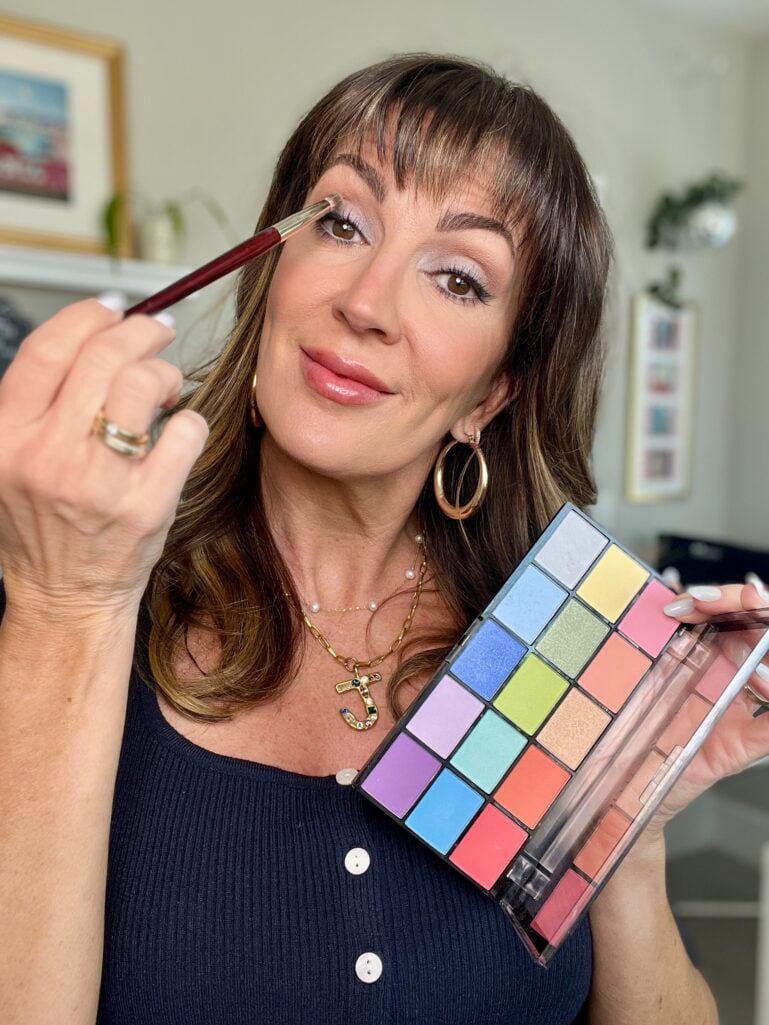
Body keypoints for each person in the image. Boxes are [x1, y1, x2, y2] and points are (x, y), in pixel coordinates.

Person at [1, 52, 766, 1025]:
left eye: (455, 277)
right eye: (341, 220)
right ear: (269, 266)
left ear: (491, 392)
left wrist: (629, 825)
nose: (365, 303)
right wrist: (65, 608)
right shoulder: (54, 594)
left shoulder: (551, 646)